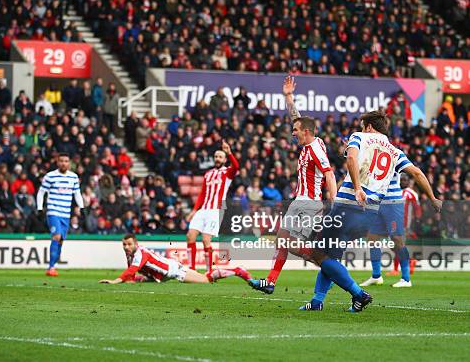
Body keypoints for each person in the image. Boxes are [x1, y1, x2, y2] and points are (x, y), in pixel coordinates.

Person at [300, 111, 442, 312]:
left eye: (361, 125)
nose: (360, 128)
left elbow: (351, 158)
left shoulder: (360, 137)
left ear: (368, 126)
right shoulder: (395, 151)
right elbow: (418, 173)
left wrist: (357, 187)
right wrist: (433, 198)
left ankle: (359, 294)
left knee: (318, 253)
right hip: (370, 214)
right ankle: (317, 302)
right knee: (331, 255)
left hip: (348, 205)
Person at [250, 76, 337, 294]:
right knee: (281, 239)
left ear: (306, 132)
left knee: (295, 247)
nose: (293, 133)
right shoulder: (309, 143)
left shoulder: (316, 149)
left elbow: (330, 174)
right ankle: (270, 282)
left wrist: (334, 202)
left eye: (296, 131)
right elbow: (297, 118)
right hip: (299, 201)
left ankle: (332, 270)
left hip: (310, 204)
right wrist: (288, 96)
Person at [360, 159, 439, 288]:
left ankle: (406, 279)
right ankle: (376, 276)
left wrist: (432, 197)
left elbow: (416, 172)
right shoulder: (370, 154)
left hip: (392, 203)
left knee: (397, 239)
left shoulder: (394, 154)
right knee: (372, 237)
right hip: (376, 202)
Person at [99, 233, 251, 284]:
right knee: (144, 279)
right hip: (164, 275)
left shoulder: (140, 253)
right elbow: (131, 273)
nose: (126, 247)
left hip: (174, 271)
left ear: (135, 244)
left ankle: (237, 271)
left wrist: (116, 281)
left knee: (205, 280)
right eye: (124, 244)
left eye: (129, 244)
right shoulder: (130, 254)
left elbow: (132, 270)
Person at [186, 140, 238, 272]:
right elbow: (202, 194)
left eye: (220, 156)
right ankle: (192, 269)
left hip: (215, 210)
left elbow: (236, 167)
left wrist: (230, 152)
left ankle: (209, 271)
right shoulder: (208, 174)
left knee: (205, 240)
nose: (217, 159)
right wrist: (194, 210)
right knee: (190, 235)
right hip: (203, 209)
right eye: (216, 156)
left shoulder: (227, 173)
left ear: (225, 159)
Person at [36, 153, 84, 277]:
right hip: (53, 212)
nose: (63, 163)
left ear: (69, 163)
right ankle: (51, 267)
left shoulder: (73, 177)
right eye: (61, 161)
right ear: (57, 162)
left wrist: (82, 207)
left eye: (66, 161)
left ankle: (53, 265)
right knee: (56, 237)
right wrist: (40, 209)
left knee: (61, 241)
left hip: (66, 214)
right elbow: (41, 193)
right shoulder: (50, 176)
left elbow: (77, 194)